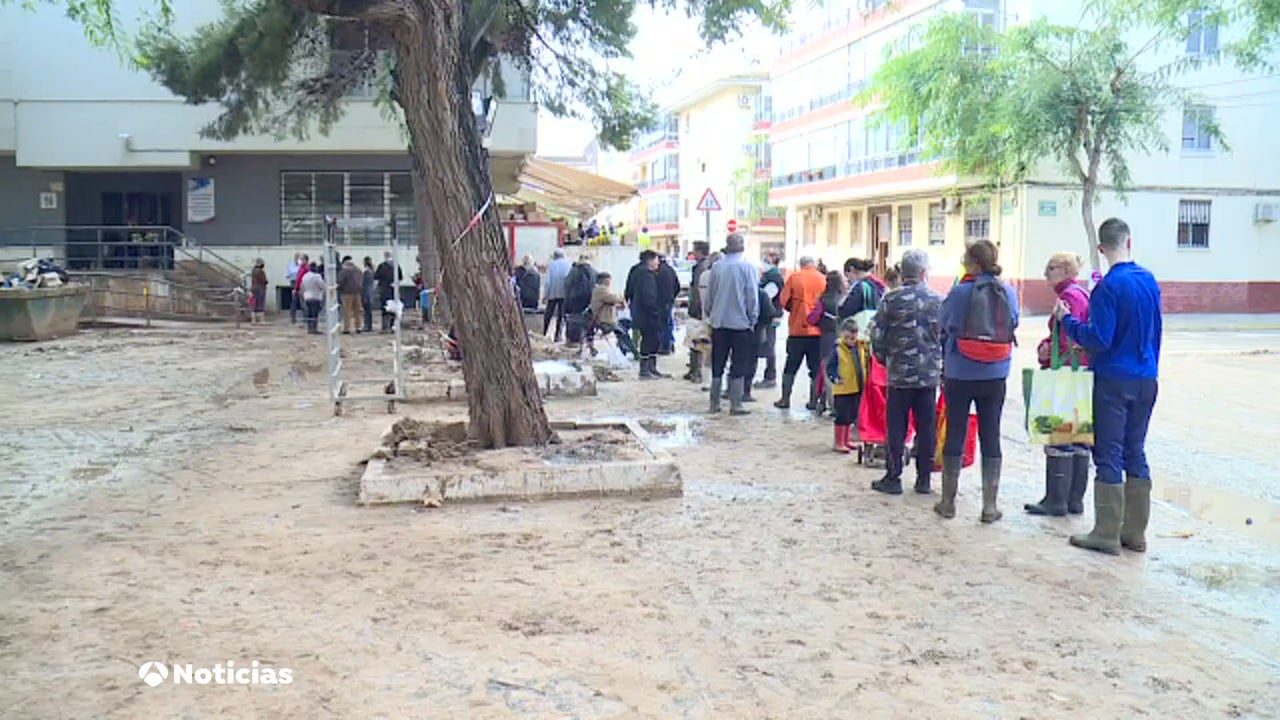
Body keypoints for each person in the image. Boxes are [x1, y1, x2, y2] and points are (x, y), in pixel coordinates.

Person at [1057, 218, 1162, 555]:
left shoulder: (1107, 288)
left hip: (1114, 380)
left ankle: (1105, 532)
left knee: (1109, 452)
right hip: (1147, 377)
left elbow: (1099, 338)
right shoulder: (1149, 280)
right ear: (1129, 241)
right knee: (1136, 449)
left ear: (1101, 249)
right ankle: (1134, 533)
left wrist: (1067, 321)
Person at [936, 240, 1021, 520]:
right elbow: (1014, 323)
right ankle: (989, 505)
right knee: (991, 433)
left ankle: (948, 502)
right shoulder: (1008, 290)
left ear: (971, 263)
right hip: (996, 372)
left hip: (960, 370)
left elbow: (944, 323)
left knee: (956, 430)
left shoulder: (960, 292)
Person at [870, 249, 942, 495]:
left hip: (899, 374)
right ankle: (923, 480)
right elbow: (945, 336)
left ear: (902, 272)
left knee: (896, 426)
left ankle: (893, 476)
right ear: (924, 273)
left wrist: (884, 359)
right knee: (927, 426)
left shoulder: (891, 299)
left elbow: (877, 335)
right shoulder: (938, 300)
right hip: (929, 375)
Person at [1025, 251, 1092, 517]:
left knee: (1059, 437)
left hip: (1064, 373)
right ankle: (1073, 500)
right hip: (1080, 372)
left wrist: (1045, 348)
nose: (1045, 274)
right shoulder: (1082, 293)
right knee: (1078, 437)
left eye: (1050, 268)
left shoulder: (1069, 298)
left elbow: (1065, 340)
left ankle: (1057, 500)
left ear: (1065, 270)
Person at [705, 233, 760, 415]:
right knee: (739, 364)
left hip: (719, 324)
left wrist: (711, 315)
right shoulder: (748, 268)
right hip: (741, 325)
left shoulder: (717, 267)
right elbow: (752, 296)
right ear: (742, 247)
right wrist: (752, 318)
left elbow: (710, 296)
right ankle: (735, 404)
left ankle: (714, 404)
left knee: (717, 363)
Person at [774, 256, 826, 410]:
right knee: (815, 368)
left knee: (791, 366)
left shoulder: (794, 278)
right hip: (817, 331)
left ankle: (785, 399)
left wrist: (795, 309)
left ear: (801, 265)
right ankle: (813, 401)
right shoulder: (823, 279)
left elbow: (783, 301)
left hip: (797, 329)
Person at [826, 317, 869, 453]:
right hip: (843, 389)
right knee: (842, 415)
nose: (852, 340)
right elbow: (830, 367)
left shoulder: (860, 347)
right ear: (842, 334)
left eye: (854, 336)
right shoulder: (837, 350)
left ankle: (846, 440)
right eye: (848, 337)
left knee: (851, 415)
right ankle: (838, 442)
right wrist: (835, 378)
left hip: (856, 387)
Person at [625, 250, 666, 379]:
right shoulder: (647, 275)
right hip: (648, 314)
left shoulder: (635, 270)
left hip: (637, 310)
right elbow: (649, 297)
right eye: (656, 260)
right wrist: (655, 311)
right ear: (650, 260)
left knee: (648, 339)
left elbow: (628, 290)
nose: (658, 263)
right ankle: (645, 370)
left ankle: (651, 368)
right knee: (650, 339)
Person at [815, 270, 847, 416]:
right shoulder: (845, 298)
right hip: (844, 339)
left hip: (827, 338)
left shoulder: (824, 299)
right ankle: (837, 404)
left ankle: (832, 406)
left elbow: (811, 318)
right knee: (842, 371)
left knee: (827, 373)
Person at [590, 272, 638, 357]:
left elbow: (612, 301)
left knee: (625, 325)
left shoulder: (599, 290)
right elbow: (615, 298)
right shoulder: (602, 289)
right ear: (605, 281)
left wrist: (620, 303)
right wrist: (621, 298)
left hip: (608, 319)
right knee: (623, 332)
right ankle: (635, 353)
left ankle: (624, 348)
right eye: (609, 280)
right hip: (605, 320)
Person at [755, 252, 785, 389]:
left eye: (767, 260)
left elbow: (766, 296)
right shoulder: (770, 276)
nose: (764, 263)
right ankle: (769, 376)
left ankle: (770, 377)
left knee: (769, 345)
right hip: (772, 314)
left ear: (774, 263)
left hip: (770, 315)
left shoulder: (774, 277)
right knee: (768, 345)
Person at [684, 242, 711, 383]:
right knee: (693, 340)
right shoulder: (699, 267)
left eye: (694, 250)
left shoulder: (702, 268)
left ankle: (697, 372)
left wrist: (697, 309)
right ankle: (694, 369)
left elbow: (699, 292)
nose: (692, 253)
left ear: (700, 251)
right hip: (696, 310)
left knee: (698, 341)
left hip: (699, 311)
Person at [563, 252, 598, 347]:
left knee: (573, 319)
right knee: (589, 320)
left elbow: (567, 285)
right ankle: (589, 340)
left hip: (574, 300)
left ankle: (573, 341)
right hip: (589, 300)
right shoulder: (594, 272)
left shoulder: (573, 271)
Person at [544, 248, 572, 341]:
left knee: (549, 313)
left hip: (553, 292)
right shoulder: (569, 264)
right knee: (561, 315)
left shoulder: (551, 265)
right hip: (564, 293)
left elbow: (547, 282)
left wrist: (546, 295)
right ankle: (558, 336)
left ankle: (544, 331)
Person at [656, 255, 680, 355]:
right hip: (669, 300)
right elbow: (677, 286)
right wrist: (672, 296)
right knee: (669, 323)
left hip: (661, 301)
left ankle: (664, 347)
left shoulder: (658, 272)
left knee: (662, 324)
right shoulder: (671, 270)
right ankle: (671, 344)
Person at [374, 251, 402, 332]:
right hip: (394, 290)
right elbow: (400, 277)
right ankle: (393, 325)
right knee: (394, 309)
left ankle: (385, 327)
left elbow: (376, 277)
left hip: (384, 290)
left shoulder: (382, 266)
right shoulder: (396, 266)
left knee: (384, 308)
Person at [337, 255, 363, 335]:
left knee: (347, 311)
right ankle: (358, 327)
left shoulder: (344, 271)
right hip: (357, 293)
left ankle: (347, 328)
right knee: (357, 311)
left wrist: (338, 288)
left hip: (346, 293)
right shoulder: (358, 270)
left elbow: (340, 281)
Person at [301, 262, 325, 334]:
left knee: (309, 313)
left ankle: (309, 328)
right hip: (316, 296)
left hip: (307, 296)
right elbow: (322, 286)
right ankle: (314, 328)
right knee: (315, 314)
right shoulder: (317, 276)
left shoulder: (305, 276)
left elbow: (302, 286)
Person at [293, 254, 311, 326]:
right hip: (300, 287)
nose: (299, 261)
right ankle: (305, 318)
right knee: (302, 304)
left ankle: (307, 319)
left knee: (304, 304)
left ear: (305, 260)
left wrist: (296, 288)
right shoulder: (301, 268)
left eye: (301, 259)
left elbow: (300, 279)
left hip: (304, 288)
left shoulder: (306, 268)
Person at [250, 258, 268, 325]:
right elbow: (264, 280)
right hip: (260, 288)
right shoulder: (261, 271)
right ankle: (261, 320)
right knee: (261, 304)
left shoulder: (253, 270)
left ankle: (253, 320)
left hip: (254, 288)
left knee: (254, 304)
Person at [285, 253, 302, 324]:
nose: (298, 259)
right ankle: (293, 317)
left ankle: (306, 317)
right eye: (297, 257)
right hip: (294, 282)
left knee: (302, 300)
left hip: (301, 282)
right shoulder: (291, 265)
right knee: (294, 300)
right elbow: (288, 274)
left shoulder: (302, 265)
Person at [361, 256, 376, 332]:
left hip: (366, 293)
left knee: (367, 311)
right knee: (368, 311)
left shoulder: (366, 272)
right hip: (370, 293)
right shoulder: (372, 271)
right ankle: (368, 325)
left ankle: (367, 326)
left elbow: (364, 284)